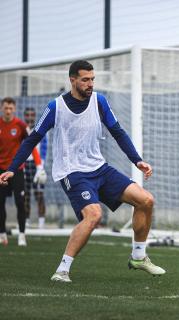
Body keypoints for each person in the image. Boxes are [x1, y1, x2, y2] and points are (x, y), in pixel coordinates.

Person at [0, 60, 165, 282]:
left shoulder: (99, 101)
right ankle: (62, 270)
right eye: (85, 80)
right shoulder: (54, 107)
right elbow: (32, 140)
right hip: (72, 172)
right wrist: (12, 169)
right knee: (94, 215)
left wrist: (137, 161)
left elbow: (117, 131)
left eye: (92, 79)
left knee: (146, 200)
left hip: (99, 167)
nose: (90, 84)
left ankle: (138, 256)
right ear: (73, 80)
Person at [0, 97, 41, 246]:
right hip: (1, 170)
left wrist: (39, 165)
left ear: (14, 109)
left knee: (20, 202)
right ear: (2, 108)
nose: (8, 111)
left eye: (11, 108)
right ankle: (2, 234)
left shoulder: (20, 125)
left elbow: (31, 144)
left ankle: (22, 235)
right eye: (6, 108)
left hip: (17, 170)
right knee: (0, 203)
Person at [23, 107, 48, 229]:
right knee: (25, 194)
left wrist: (41, 165)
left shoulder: (40, 129)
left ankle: (41, 222)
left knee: (39, 194)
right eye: (27, 115)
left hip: (37, 165)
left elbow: (44, 147)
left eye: (32, 115)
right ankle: (26, 220)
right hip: (24, 164)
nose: (30, 117)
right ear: (24, 116)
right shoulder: (22, 130)